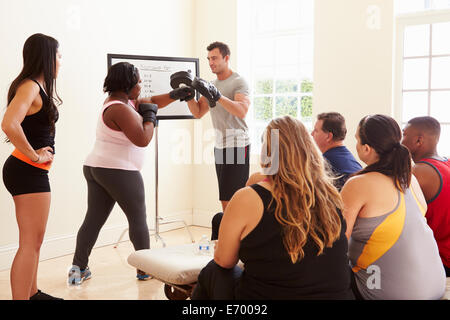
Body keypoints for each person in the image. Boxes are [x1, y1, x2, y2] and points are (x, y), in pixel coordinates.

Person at [192, 115, 354, 300]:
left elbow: (224, 260)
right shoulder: (330, 195)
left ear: (267, 152)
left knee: (213, 270)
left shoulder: (248, 198)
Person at [68, 62, 194, 284]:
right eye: (138, 82)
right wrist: (151, 118)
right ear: (127, 85)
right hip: (118, 170)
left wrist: (174, 95)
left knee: (93, 220)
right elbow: (143, 139)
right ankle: (144, 269)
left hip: (97, 167)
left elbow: (150, 102)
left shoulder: (118, 102)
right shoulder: (120, 109)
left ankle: (78, 270)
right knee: (137, 220)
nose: (141, 84)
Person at [341, 114, 446, 300]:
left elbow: (337, 241)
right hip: (436, 285)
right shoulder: (410, 179)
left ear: (366, 148)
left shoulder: (358, 183)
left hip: (389, 292)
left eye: (356, 139)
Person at [1, 33, 63, 300]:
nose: (61, 61)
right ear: (48, 57)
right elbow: (9, 124)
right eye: (59, 55)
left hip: (29, 171)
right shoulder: (31, 87)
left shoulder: (37, 86)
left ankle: (33, 293)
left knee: (34, 242)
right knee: (29, 244)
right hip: (27, 170)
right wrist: (35, 156)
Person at [187, 41, 251, 214]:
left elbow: (242, 110)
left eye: (214, 58)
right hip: (220, 145)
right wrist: (188, 97)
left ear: (226, 58)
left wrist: (218, 95)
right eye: (209, 59)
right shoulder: (211, 84)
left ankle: (233, 238)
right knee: (225, 195)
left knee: (231, 197)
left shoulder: (238, 82)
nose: (211, 63)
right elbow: (198, 112)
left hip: (237, 143)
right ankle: (230, 237)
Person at [401, 116, 450, 277]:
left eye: (404, 135)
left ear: (419, 140)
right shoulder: (446, 163)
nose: (401, 141)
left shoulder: (420, 172)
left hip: (440, 262)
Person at [311, 112, 361, 190]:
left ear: (328, 136)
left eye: (316, 131)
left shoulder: (324, 163)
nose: (312, 134)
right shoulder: (350, 159)